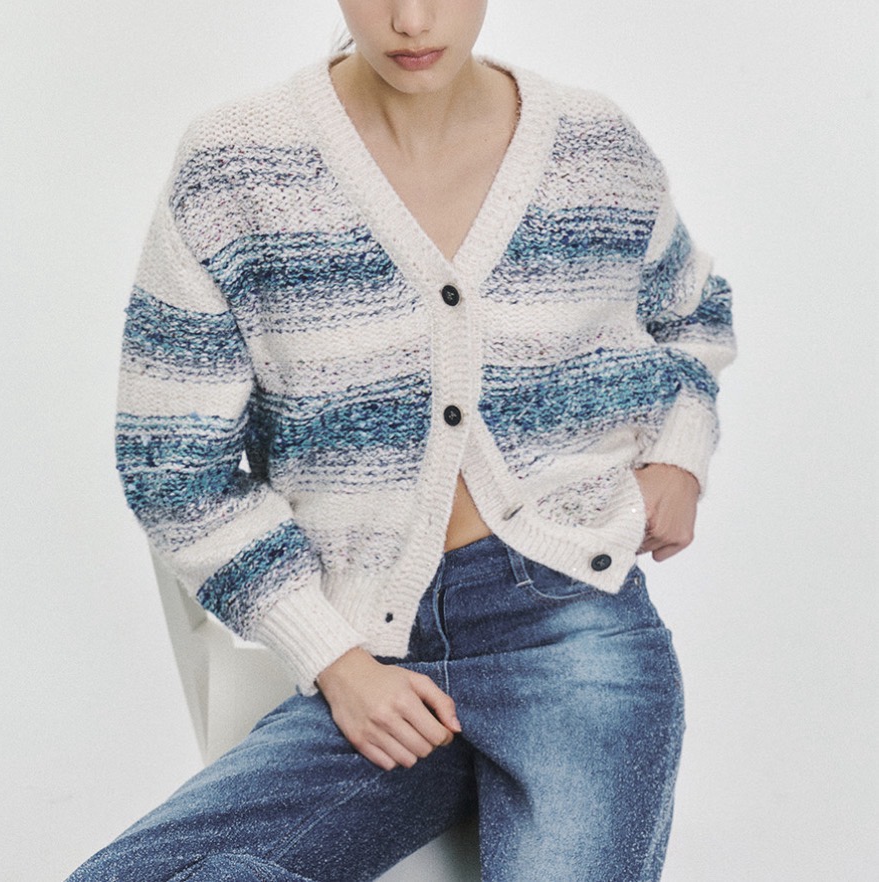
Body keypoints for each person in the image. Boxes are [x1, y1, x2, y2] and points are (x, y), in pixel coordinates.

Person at [68, 1, 735, 879]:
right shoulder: (235, 167)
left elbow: (690, 313)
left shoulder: (591, 145)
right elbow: (171, 464)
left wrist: (679, 452)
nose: (411, 20)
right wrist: (333, 659)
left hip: (570, 632)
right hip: (369, 648)